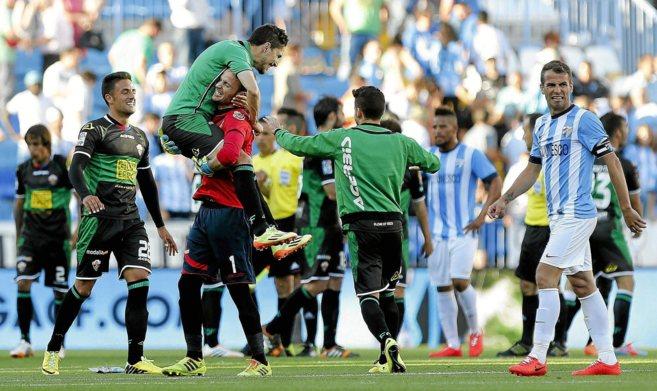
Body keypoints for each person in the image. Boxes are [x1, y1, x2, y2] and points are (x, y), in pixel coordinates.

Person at [266, 86, 441, 373]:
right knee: (389, 293)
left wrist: (277, 132)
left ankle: (386, 341)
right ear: (382, 112)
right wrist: (405, 161)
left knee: (368, 296)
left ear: (358, 112)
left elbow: (301, 146)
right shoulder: (401, 142)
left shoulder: (343, 138)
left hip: (362, 227)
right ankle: (389, 356)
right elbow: (433, 163)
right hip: (394, 227)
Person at [487, 60, 646, 377]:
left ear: (571, 86)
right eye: (551, 84)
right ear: (542, 88)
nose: (557, 89)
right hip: (557, 218)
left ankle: (537, 356)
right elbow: (533, 170)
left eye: (562, 84)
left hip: (578, 214)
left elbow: (612, 162)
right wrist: (505, 198)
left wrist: (627, 207)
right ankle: (607, 359)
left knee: (544, 276)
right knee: (584, 284)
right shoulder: (543, 126)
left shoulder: (585, 120)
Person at [41, 71, 178, 376]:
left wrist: (160, 225)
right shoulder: (94, 130)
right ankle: (53, 348)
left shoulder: (141, 137)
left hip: (130, 221)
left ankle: (136, 358)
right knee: (83, 288)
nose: (132, 95)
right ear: (109, 98)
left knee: (140, 281)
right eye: (125, 91)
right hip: (99, 222)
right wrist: (86, 195)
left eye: (133, 91)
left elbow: (147, 182)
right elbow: (76, 167)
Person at [160, 69, 272, 378]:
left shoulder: (236, 116)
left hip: (229, 212)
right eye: (218, 82)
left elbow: (232, 154)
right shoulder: (212, 118)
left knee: (238, 287)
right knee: (187, 283)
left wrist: (202, 160)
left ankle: (260, 361)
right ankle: (194, 355)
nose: (217, 87)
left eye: (226, 84)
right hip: (206, 212)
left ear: (239, 92)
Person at [160, 24, 295, 249]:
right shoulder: (237, 51)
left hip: (188, 120)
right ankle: (208, 166)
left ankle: (269, 232)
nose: (276, 63)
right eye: (277, 56)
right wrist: (255, 124)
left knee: (242, 163)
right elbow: (253, 91)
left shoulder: (231, 52)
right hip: (187, 119)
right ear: (266, 47)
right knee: (239, 158)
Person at [261, 97, 358, 359]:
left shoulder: (330, 145)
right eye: (340, 112)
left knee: (334, 282)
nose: (342, 117)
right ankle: (271, 328)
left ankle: (329, 345)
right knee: (315, 284)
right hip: (316, 224)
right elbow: (330, 191)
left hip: (331, 224)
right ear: (332, 116)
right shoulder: (323, 146)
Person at [562, 112, 645, 357]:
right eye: (626, 128)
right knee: (626, 281)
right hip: (609, 231)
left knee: (580, 284)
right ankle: (616, 343)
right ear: (618, 132)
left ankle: (560, 340)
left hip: (583, 228)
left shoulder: (584, 159)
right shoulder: (624, 164)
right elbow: (635, 204)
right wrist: (635, 224)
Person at [424, 106, 501, 359]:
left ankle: (475, 331)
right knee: (442, 287)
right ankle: (453, 344)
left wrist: (483, 215)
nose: (437, 131)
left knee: (459, 280)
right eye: (435, 127)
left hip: (463, 231)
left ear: (455, 129)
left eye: (442, 126)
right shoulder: (429, 157)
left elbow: (494, 181)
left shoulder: (470, 155)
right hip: (436, 235)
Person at [496, 114, 569, 358]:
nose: (525, 137)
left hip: (554, 227)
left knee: (553, 284)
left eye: (527, 131)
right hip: (532, 228)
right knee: (527, 284)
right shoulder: (524, 167)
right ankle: (527, 341)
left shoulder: (559, 162)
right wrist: (504, 201)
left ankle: (558, 341)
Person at [10, 125, 73, 359]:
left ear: (46, 144)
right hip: (31, 238)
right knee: (23, 283)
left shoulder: (60, 166)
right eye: (30, 144)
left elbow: (81, 197)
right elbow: (18, 204)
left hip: (58, 239)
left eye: (36, 144)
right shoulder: (22, 170)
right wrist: (19, 236)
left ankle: (59, 343)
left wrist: (76, 233)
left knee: (59, 291)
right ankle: (25, 341)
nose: (33, 149)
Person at [380, 117, 433, 342]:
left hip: (399, 238)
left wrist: (427, 238)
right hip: (373, 235)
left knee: (397, 290)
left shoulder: (411, 169)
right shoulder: (370, 165)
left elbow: (420, 206)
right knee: (379, 293)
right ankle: (386, 341)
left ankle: (391, 343)